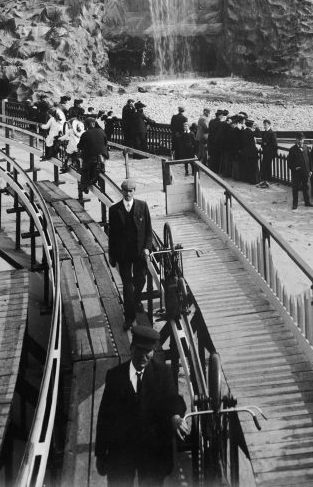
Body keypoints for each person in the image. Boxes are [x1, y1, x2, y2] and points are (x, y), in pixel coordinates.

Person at [95, 325, 189, 485]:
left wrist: (175, 415)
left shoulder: (162, 373)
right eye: (140, 350)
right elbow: (105, 416)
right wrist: (100, 453)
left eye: (149, 351)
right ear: (132, 348)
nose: (144, 356)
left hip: (152, 450)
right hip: (122, 452)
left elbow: (174, 400)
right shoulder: (115, 376)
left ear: (153, 352)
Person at [107, 179, 154, 330]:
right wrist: (112, 256)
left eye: (131, 191)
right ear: (122, 191)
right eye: (126, 191)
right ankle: (129, 318)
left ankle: (137, 300)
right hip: (123, 254)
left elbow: (148, 232)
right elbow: (112, 236)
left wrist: (147, 248)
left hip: (139, 253)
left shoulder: (142, 206)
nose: (128, 194)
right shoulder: (114, 210)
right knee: (127, 288)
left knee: (140, 281)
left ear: (135, 191)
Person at [77, 114, 108, 193]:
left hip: (91, 156)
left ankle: (85, 187)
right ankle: (101, 186)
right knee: (101, 167)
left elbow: (80, 146)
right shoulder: (102, 131)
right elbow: (105, 143)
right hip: (102, 155)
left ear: (87, 125)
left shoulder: (85, 134)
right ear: (94, 123)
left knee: (84, 170)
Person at [287, 134, 313, 209]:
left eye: (301, 139)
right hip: (296, 173)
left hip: (305, 172)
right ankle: (295, 204)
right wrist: (295, 168)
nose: (300, 141)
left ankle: (307, 202)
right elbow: (289, 162)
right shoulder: (292, 149)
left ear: (304, 140)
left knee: (306, 187)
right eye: (298, 139)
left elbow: (310, 160)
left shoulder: (306, 148)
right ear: (296, 140)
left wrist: (311, 170)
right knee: (295, 188)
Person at [259, 119, 277, 188]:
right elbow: (263, 142)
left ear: (269, 125)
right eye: (264, 125)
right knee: (265, 166)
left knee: (267, 166)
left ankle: (268, 180)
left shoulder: (272, 133)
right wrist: (264, 144)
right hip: (265, 152)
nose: (264, 126)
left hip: (270, 153)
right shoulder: (265, 132)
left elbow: (274, 144)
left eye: (265, 125)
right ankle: (266, 179)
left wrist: (266, 144)